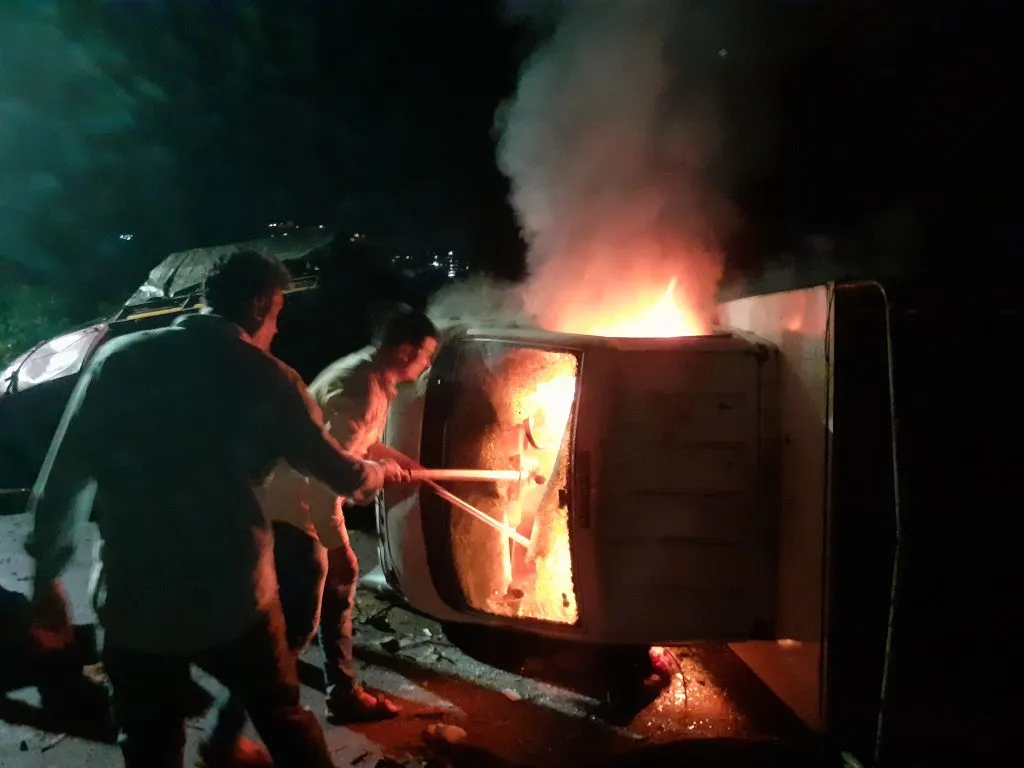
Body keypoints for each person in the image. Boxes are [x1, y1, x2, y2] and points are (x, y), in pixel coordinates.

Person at [25, 251, 417, 768]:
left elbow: (64, 479)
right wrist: (380, 474)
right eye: (277, 315)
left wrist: (47, 576)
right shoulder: (271, 380)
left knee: (148, 740)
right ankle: (229, 744)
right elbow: (341, 474)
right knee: (281, 714)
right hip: (232, 600)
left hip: (133, 597)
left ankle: (214, 746)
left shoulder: (118, 360)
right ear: (258, 305)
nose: (276, 330)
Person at [206, 306, 438, 751]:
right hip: (296, 513)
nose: (426, 365)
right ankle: (225, 732)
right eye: (425, 355)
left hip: (290, 503)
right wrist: (335, 546)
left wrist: (398, 463)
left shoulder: (364, 373)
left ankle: (344, 692)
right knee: (292, 630)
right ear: (404, 349)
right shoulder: (362, 389)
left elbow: (349, 444)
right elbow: (322, 478)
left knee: (335, 599)